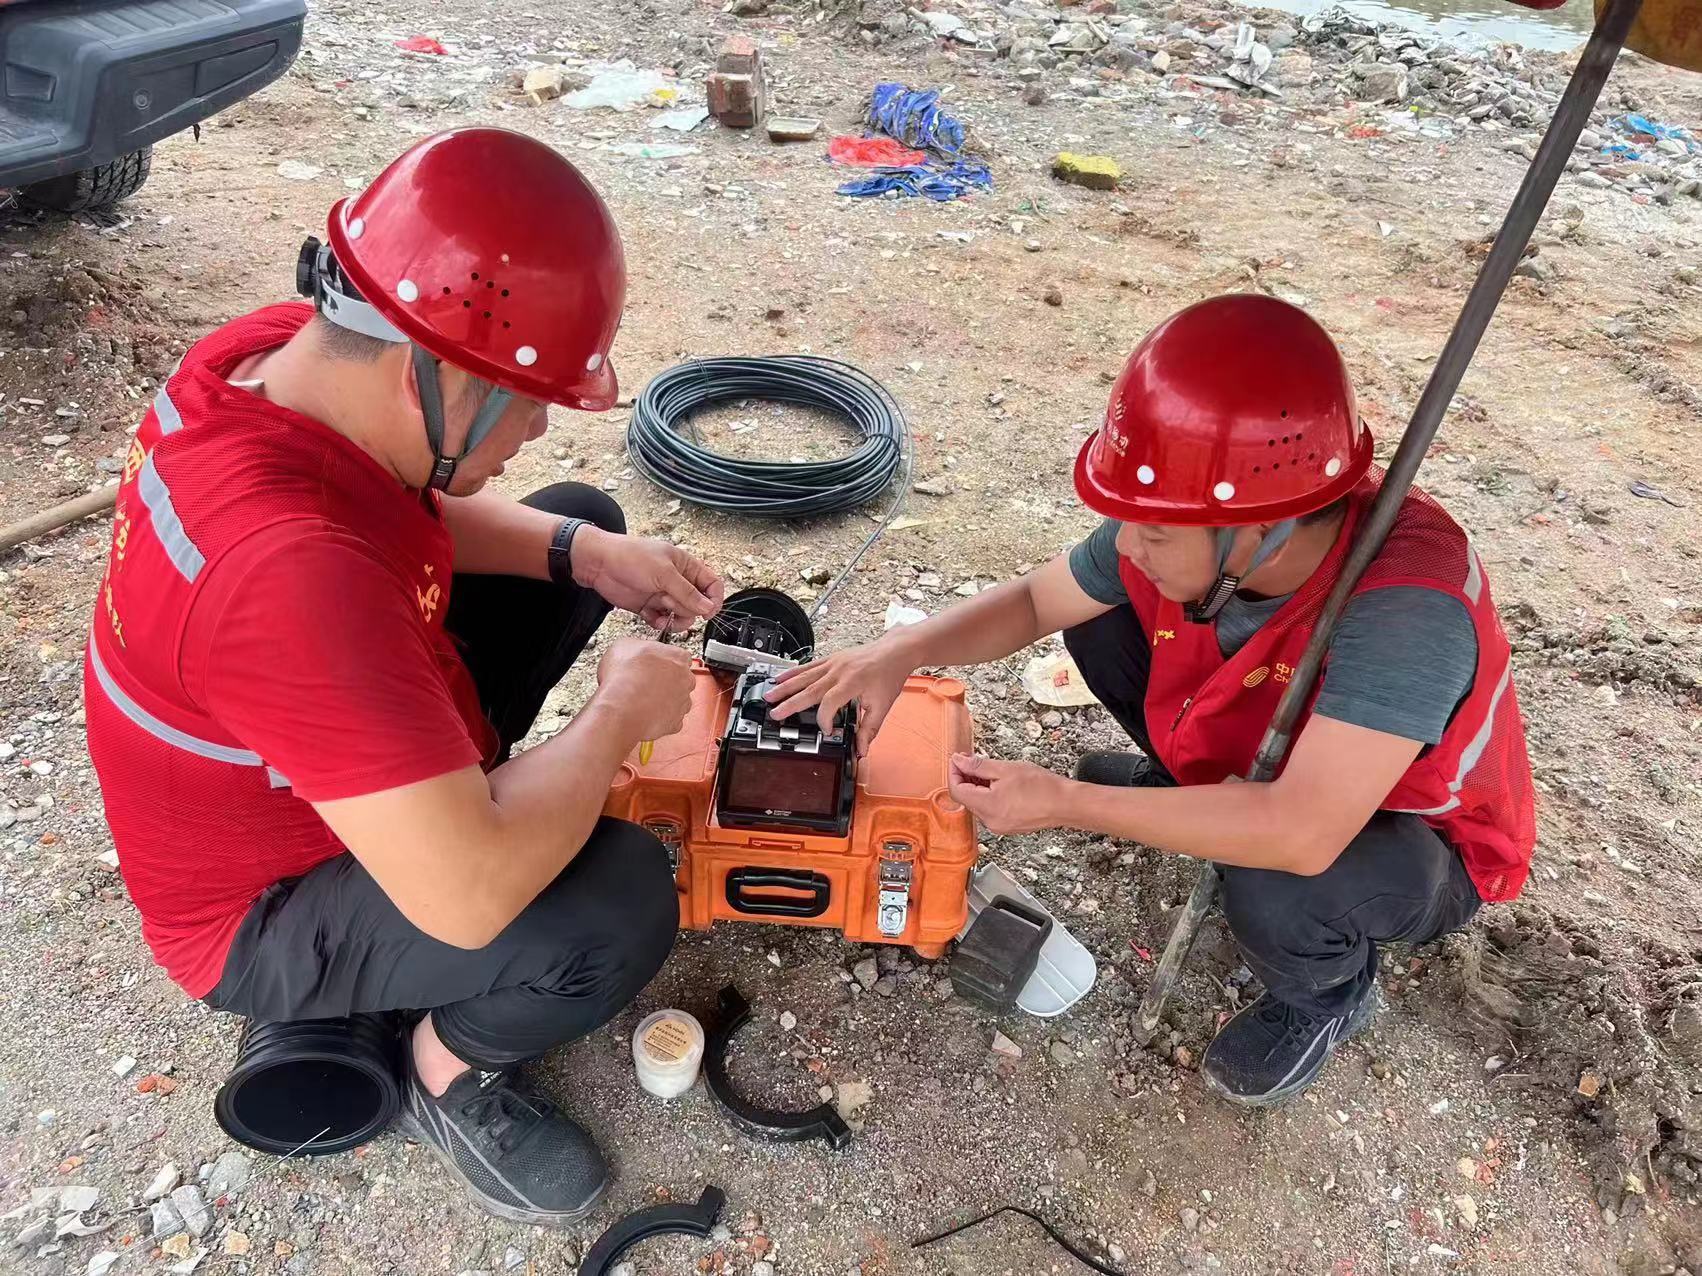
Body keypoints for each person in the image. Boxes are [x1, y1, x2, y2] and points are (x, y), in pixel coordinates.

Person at [84, 128, 724, 1226]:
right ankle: (447, 1068)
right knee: (615, 901)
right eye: (523, 399)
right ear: (422, 369)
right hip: (260, 908)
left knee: (574, 523)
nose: (535, 425)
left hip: (311, 734)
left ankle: (449, 836)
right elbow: (465, 893)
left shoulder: (277, 361)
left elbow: (387, 513)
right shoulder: (286, 579)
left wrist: (585, 558)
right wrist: (619, 711)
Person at [768, 294, 1536, 1107]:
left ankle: (1328, 997)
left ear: (1260, 527)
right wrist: (905, 648)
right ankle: (1188, 797)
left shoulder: (1405, 607)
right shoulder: (1193, 519)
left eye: (1157, 532)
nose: (1128, 544)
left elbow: (1302, 832)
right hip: (1276, 756)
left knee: (1277, 880)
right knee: (1101, 622)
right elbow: (1036, 602)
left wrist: (1068, 802)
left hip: (1414, 839)